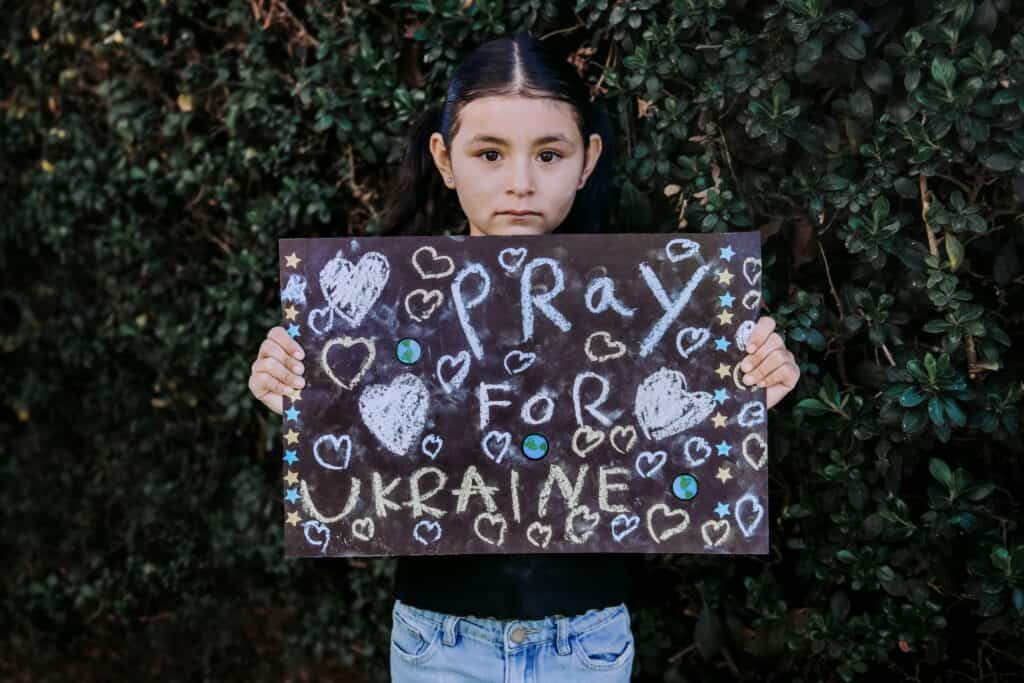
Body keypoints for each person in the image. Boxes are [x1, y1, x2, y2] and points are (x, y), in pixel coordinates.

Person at [248, 31, 801, 682]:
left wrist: (744, 396)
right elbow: (361, 479)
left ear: (587, 159)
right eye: (489, 153)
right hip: (438, 639)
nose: (519, 183)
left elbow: (661, 467)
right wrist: (295, 395)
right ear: (444, 159)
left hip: (587, 639)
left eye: (548, 154)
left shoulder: (642, 305)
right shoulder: (384, 310)